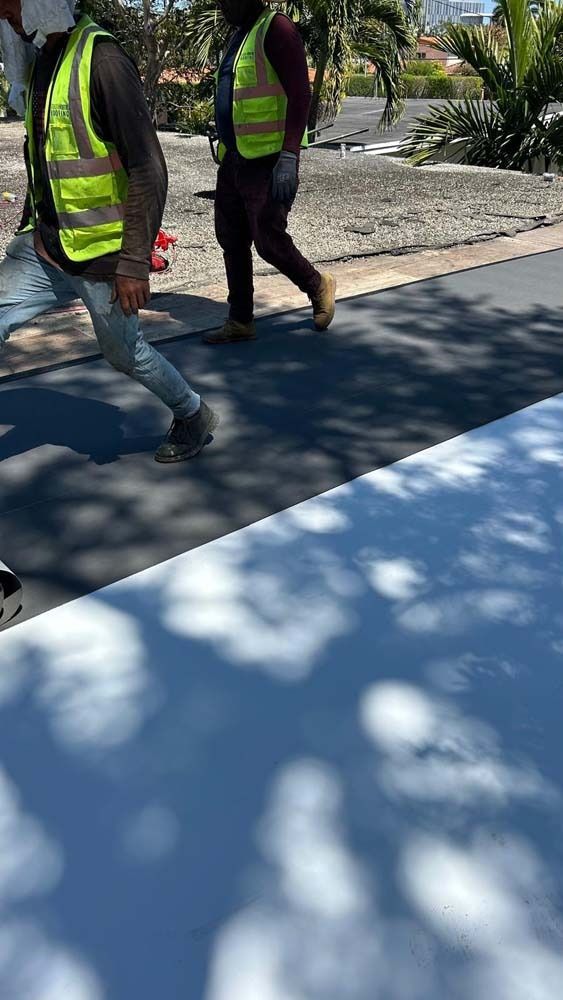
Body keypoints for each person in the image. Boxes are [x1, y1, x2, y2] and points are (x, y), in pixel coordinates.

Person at [0, 0, 218, 463]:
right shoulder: (45, 60)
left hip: (104, 255)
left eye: (12, 4)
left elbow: (148, 167)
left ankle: (192, 413)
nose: (6, 15)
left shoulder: (103, 62)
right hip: (46, 244)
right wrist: (28, 222)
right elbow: (46, 159)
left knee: (125, 354)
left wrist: (135, 261)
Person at [204, 0, 336, 345]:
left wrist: (290, 155)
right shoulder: (239, 37)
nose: (222, 6)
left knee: (268, 239)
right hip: (235, 158)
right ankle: (240, 319)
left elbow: (300, 94)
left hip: (269, 160)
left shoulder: (277, 29)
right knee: (231, 239)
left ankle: (318, 284)